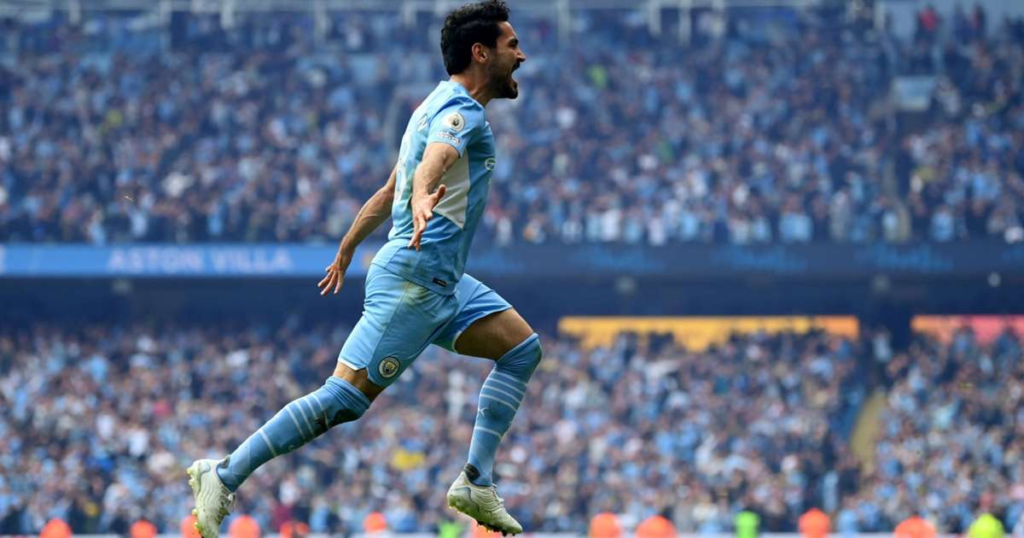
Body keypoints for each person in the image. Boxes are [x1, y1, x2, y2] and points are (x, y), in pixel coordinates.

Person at [186, 2, 535, 537]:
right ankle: (223, 474)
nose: (522, 55)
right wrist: (423, 196)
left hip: (441, 281)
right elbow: (429, 166)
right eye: (512, 45)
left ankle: (475, 481)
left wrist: (349, 244)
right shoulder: (462, 113)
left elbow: (391, 187)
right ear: (480, 53)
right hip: (415, 282)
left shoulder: (427, 108)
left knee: (520, 350)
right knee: (343, 400)